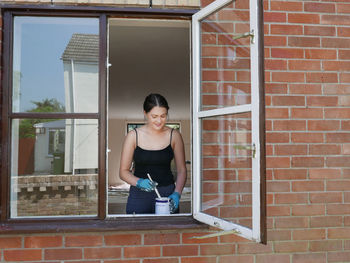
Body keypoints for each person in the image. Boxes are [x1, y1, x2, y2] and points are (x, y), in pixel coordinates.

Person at [119, 93, 187, 214]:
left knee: (168, 231)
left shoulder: (174, 135)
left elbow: (182, 170)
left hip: (167, 194)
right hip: (139, 195)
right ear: (145, 113)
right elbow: (123, 172)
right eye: (154, 116)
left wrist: (177, 193)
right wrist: (139, 182)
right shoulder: (133, 136)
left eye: (163, 116)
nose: (159, 121)